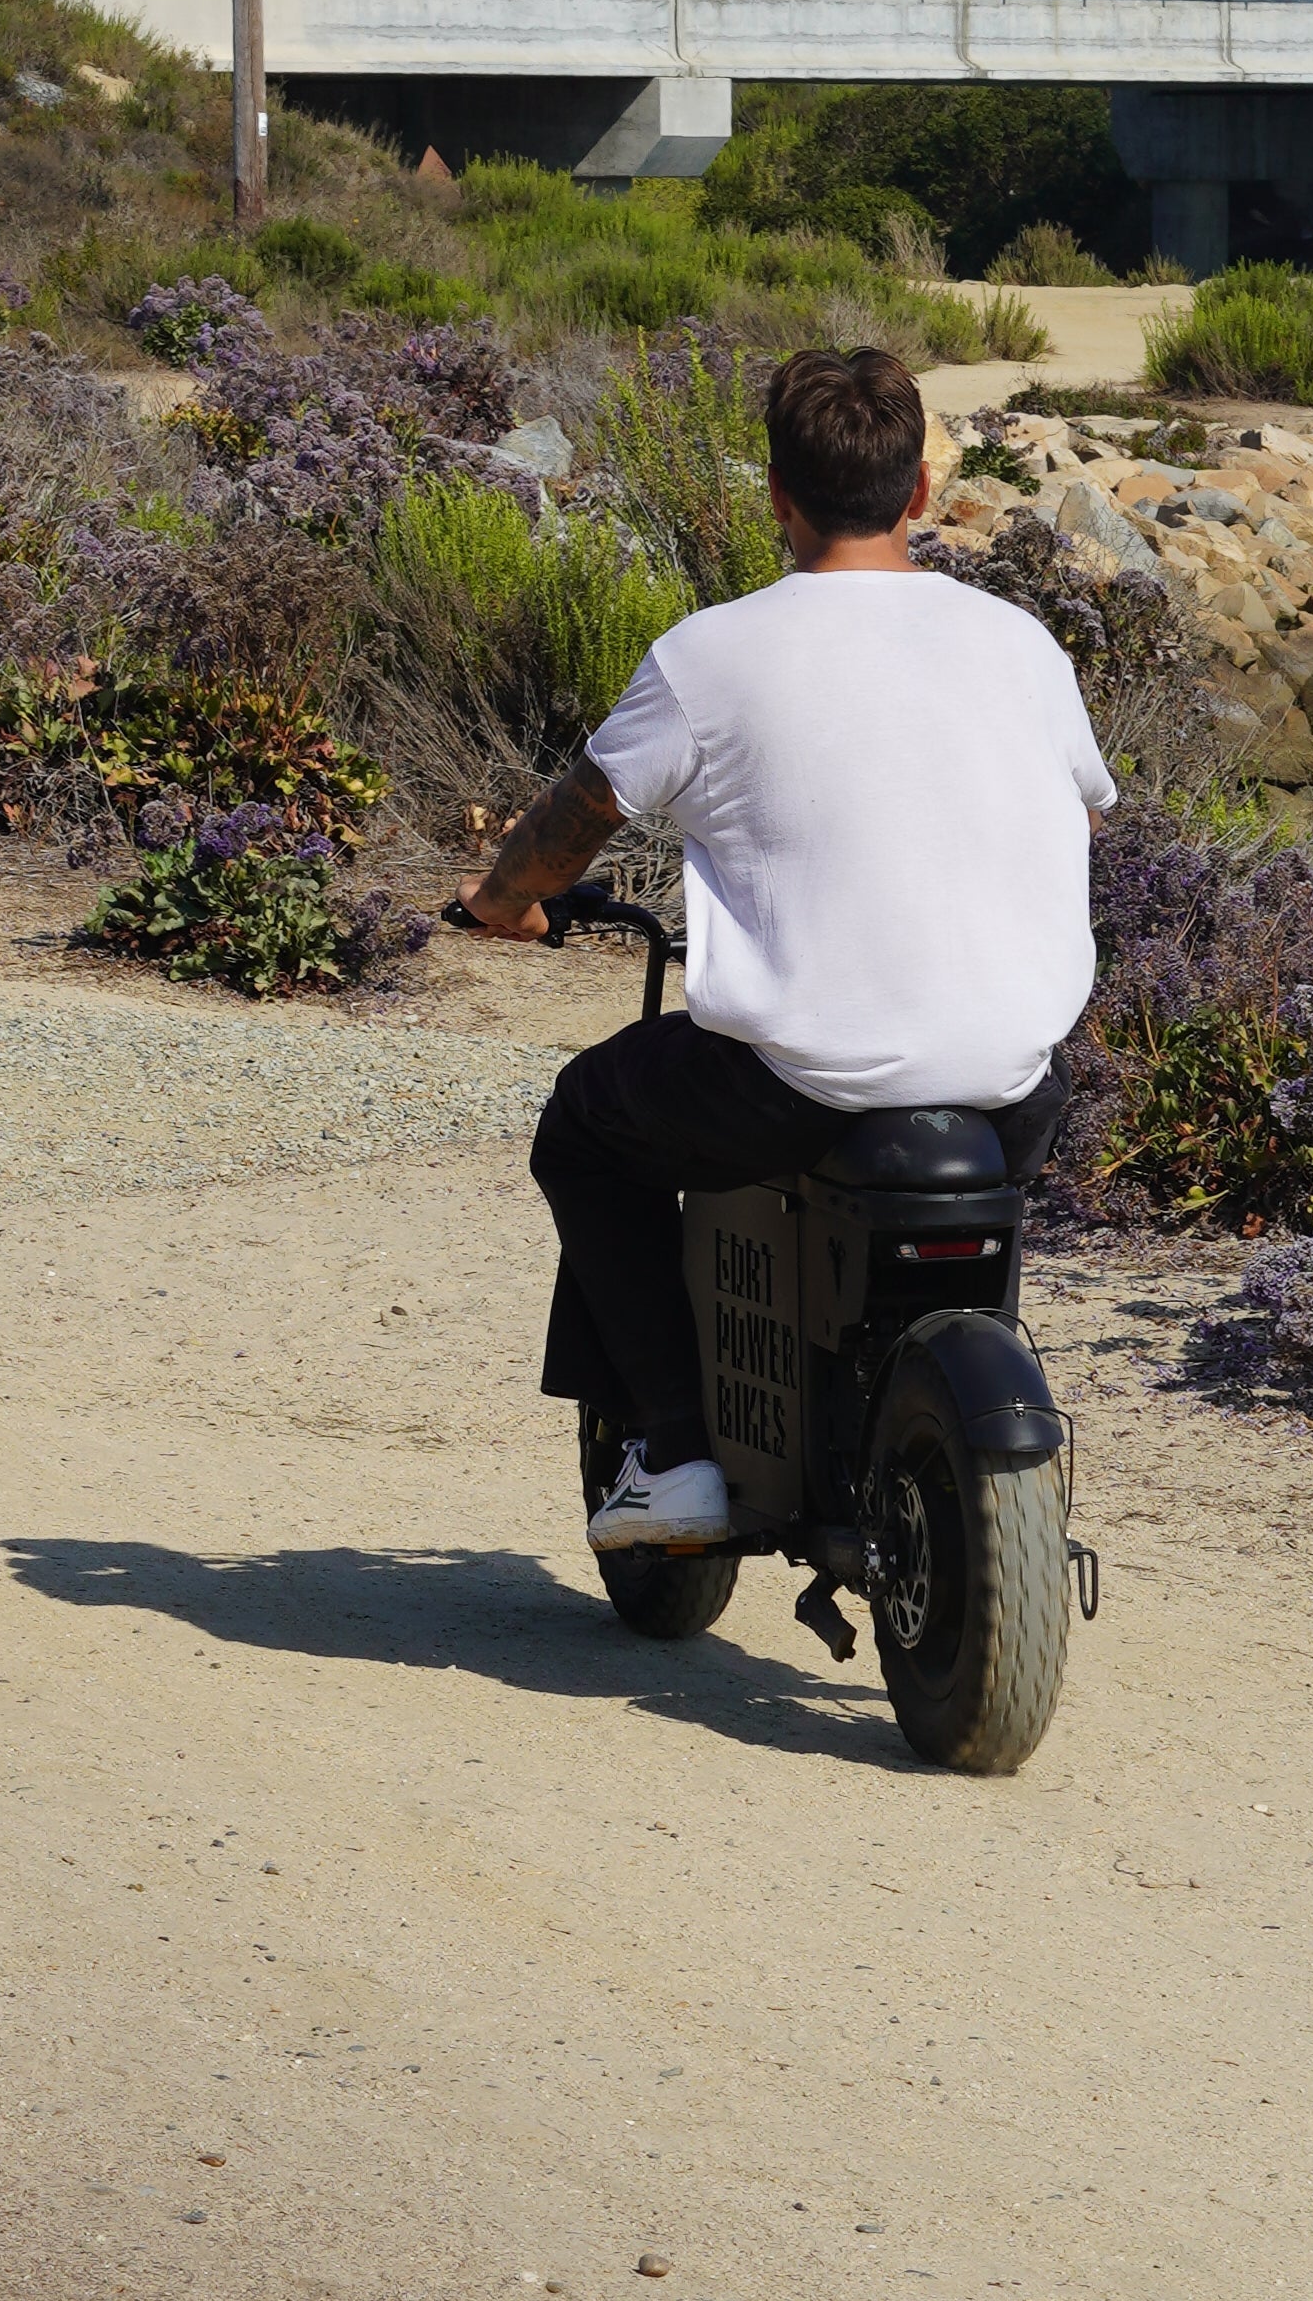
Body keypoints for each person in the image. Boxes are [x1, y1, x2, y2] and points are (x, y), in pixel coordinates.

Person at [459, 341, 1118, 1555]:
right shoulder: (1020, 643)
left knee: (585, 1124)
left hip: (798, 1082)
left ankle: (671, 1446)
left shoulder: (710, 652)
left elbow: (580, 814)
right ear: (920, 489)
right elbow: (1080, 810)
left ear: (775, 494)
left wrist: (508, 899)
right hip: (1013, 1077)